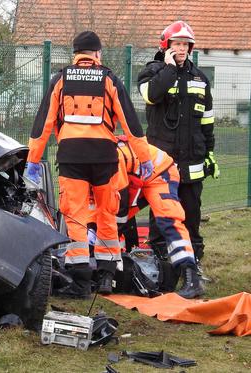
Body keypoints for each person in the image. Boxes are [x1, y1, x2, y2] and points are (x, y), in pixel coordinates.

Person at [25, 31, 152, 298]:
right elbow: (131, 123)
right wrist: (144, 158)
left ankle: (81, 282)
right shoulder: (110, 80)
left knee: (75, 215)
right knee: (106, 213)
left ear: (75, 54)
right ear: (97, 54)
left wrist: (33, 160)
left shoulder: (60, 80)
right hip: (105, 158)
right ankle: (107, 276)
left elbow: (43, 123)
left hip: (72, 157)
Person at [137, 21, 218, 267]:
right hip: (163, 162)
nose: (182, 49)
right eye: (177, 44)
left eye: (185, 44)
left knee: (191, 213)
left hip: (192, 159)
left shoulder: (200, 78)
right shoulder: (152, 72)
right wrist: (170, 69)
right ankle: (161, 259)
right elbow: (152, 95)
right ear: (166, 46)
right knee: (162, 212)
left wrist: (209, 153)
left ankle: (193, 260)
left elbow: (207, 119)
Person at [114, 136, 204, 298]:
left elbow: (124, 197)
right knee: (115, 218)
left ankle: (191, 277)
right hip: (137, 175)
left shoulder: (112, 157)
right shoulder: (95, 157)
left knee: (169, 220)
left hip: (161, 172)